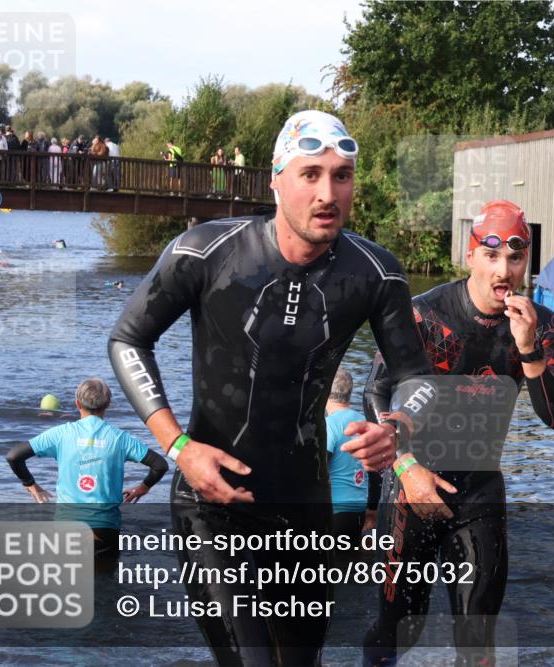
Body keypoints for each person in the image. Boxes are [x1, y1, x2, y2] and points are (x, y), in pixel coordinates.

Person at [108, 109, 438, 665]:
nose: (327, 192)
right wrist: (178, 447)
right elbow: (127, 340)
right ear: (276, 180)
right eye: (310, 174)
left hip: (307, 510)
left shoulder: (375, 274)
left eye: (341, 175)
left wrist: (398, 431)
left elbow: (417, 379)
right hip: (212, 502)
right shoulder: (207, 251)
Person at [362, 200, 554, 667]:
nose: (504, 271)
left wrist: (528, 350)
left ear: (526, 261)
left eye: (516, 258)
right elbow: (374, 394)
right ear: (471, 255)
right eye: (492, 256)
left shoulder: (539, 325)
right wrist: (406, 467)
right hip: (410, 490)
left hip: (479, 491)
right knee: (400, 631)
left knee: (479, 640)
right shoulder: (423, 314)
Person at [5, 378, 169, 572]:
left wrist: (31, 485)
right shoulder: (120, 438)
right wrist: (143, 488)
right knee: (105, 586)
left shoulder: (61, 434)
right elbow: (160, 465)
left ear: (77, 403)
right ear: (108, 404)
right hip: (106, 528)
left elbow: (14, 456)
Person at [325, 368, 370, 543]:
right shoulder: (365, 422)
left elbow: (320, 469)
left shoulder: (329, 425)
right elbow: (373, 471)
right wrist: (372, 508)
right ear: (350, 393)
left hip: (334, 510)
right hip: (359, 508)